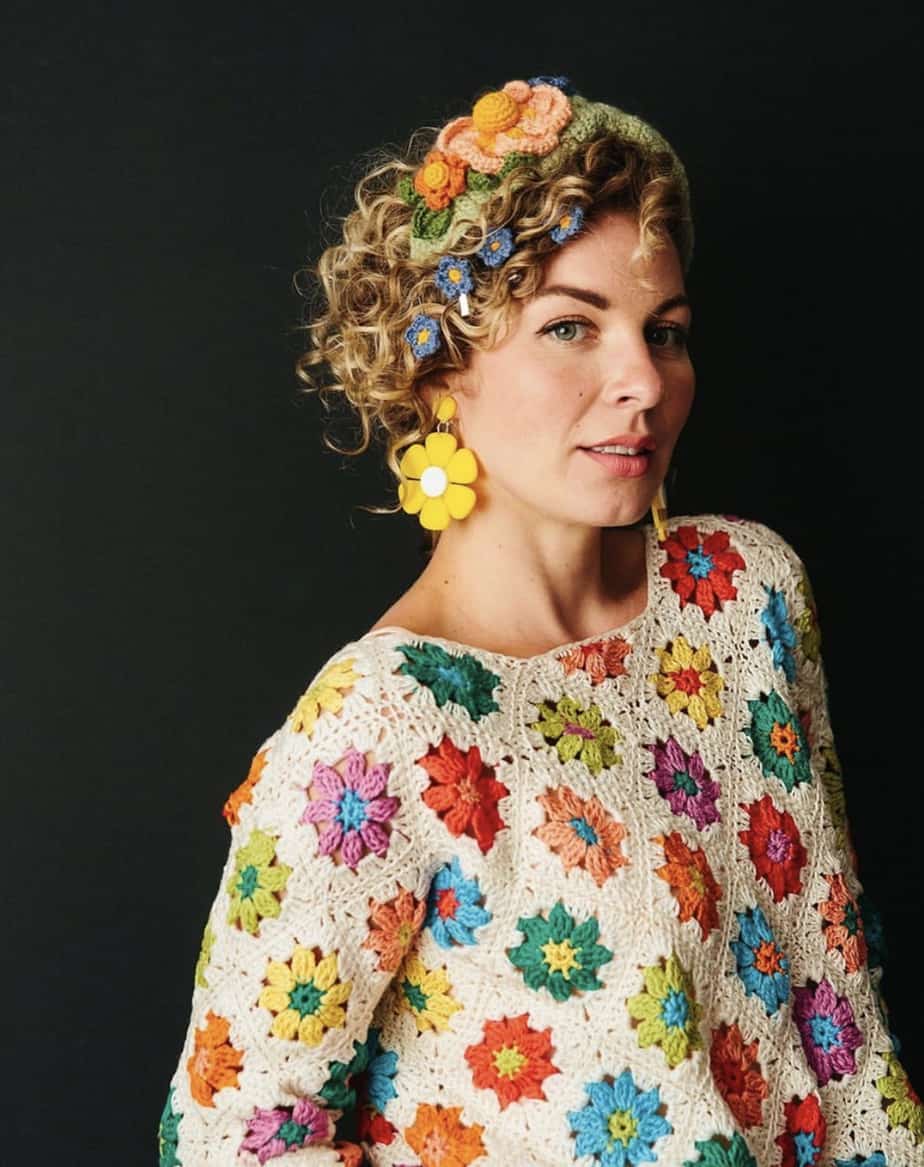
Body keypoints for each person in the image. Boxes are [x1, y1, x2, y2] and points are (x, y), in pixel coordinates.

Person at [157, 77, 921, 1166]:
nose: (642, 384)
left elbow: (836, 1001)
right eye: (571, 325)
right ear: (437, 370)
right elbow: (232, 1138)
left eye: (666, 332)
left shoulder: (747, 592)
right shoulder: (376, 734)